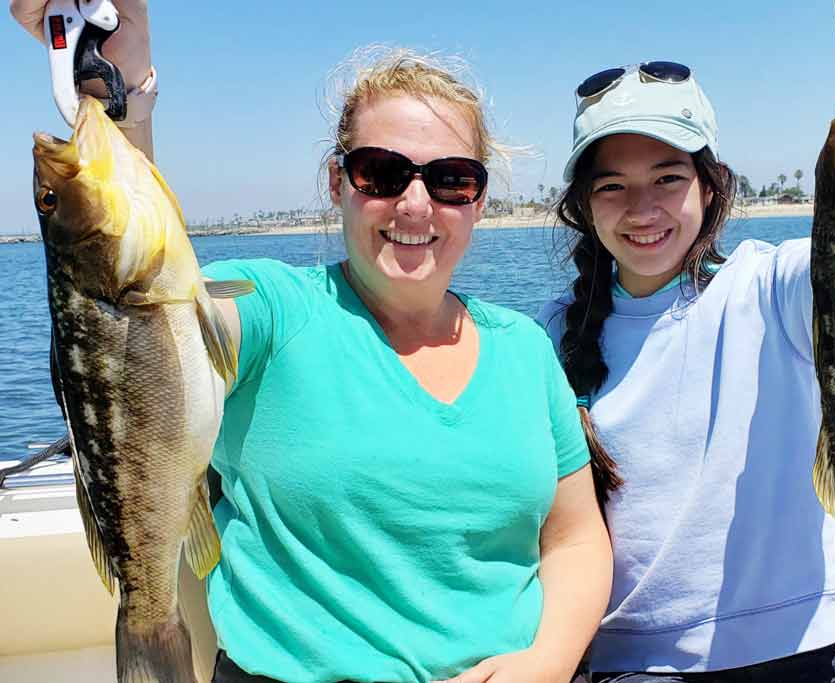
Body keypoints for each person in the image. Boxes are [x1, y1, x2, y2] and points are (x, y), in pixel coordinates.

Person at [11, 2, 613, 683]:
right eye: (381, 173)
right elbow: (141, 328)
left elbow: (577, 538)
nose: (416, 204)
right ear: (338, 182)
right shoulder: (269, 309)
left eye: (450, 179)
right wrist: (120, 97)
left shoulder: (526, 350)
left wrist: (547, 660)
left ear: (478, 199)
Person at [539, 5, 835, 683]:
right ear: (582, 206)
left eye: (668, 178)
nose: (642, 207)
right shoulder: (546, 337)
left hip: (823, 647)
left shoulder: (771, 283)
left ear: (711, 189)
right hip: (641, 662)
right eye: (612, 185)